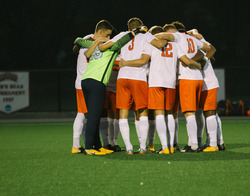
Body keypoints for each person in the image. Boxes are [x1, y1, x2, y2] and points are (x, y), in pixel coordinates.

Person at [119, 25, 202, 154]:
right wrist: (198, 65)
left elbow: (143, 60)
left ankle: (164, 147)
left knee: (159, 115)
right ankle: (171, 145)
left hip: (155, 82)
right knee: (170, 114)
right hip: (171, 82)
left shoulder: (151, 44)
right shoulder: (175, 45)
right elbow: (186, 60)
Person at [74, 19, 144, 155]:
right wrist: (134, 32)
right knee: (94, 117)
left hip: (85, 80)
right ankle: (89, 147)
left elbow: (80, 42)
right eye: (107, 36)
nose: (108, 38)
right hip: (97, 82)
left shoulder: (95, 46)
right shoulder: (111, 47)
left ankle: (97, 146)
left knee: (93, 116)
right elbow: (121, 42)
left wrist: (96, 41)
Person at [106, 17, 167, 155]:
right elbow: (145, 58)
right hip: (138, 78)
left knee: (123, 113)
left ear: (129, 28)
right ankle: (143, 147)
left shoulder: (123, 35)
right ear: (141, 27)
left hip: (122, 78)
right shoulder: (145, 35)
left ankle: (128, 147)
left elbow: (106, 45)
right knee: (142, 112)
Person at [154, 24, 210, 152]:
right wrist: (199, 61)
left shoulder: (177, 37)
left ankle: (194, 145)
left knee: (188, 113)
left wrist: (148, 37)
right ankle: (191, 142)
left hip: (186, 79)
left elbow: (161, 35)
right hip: (198, 79)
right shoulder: (192, 39)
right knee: (193, 112)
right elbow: (207, 48)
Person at [187, 29, 226, 152]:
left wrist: (202, 60)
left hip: (208, 83)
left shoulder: (196, 40)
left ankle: (214, 144)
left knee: (210, 113)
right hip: (203, 83)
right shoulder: (193, 42)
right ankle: (218, 142)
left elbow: (212, 49)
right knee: (209, 114)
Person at [71, 34, 93, 154]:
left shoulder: (82, 47)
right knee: (83, 115)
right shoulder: (91, 47)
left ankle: (78, 145)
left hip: (80, 83)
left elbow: (76, 45)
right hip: (85, 84)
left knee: (83, 114)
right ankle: (77, 145)